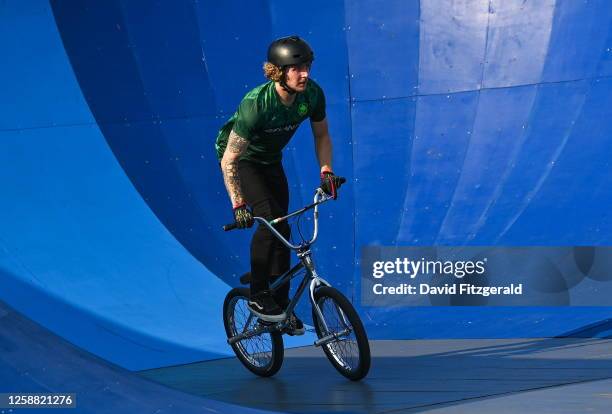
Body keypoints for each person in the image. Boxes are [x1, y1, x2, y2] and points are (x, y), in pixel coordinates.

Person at [215, 36, 343, 334]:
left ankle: (281, 308)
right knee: (270, 222)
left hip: (271, 160)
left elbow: (322, 135)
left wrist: (326, 172)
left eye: (307, 66)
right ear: (277, 72)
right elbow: (229, 160)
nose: (305, 73)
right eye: (296, 68)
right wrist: (239, 204)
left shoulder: (311, 95)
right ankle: (259, 295)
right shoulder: (257, 104)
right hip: (242, 160)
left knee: (284, 228)